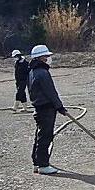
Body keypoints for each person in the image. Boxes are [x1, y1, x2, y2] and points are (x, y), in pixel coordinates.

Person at [27, 44, 68, 174]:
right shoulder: (43, 73)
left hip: (38, 108)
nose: (49, 58)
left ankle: (36, 163)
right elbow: (51, 92)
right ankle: (43, 165)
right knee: (45, 137)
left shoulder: (32, 72)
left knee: (39, 136)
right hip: (46, 109)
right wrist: (60, 107)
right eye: (47, 56)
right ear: (41, 58)